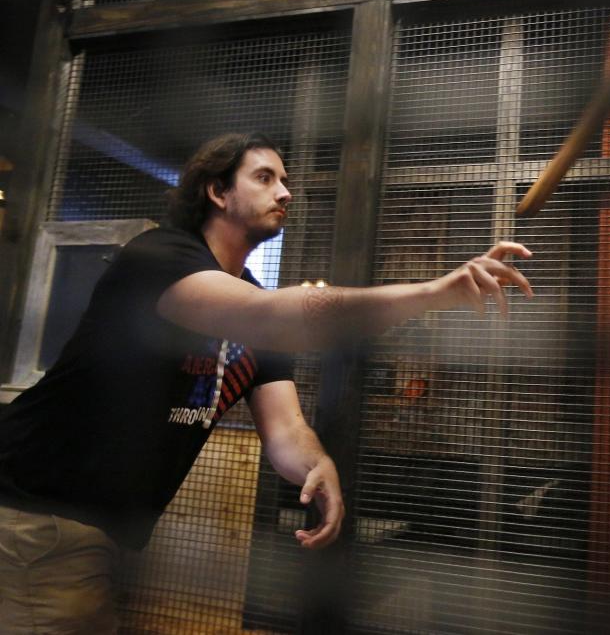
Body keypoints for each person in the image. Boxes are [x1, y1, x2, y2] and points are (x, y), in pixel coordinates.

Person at [0, 132, 533, 633]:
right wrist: (435, 293)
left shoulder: (253, 301)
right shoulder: (158, 258)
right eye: (265, 177)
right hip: (33, 513)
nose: (286, 191)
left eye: (285, 179)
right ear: (217, 191)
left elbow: (284, 428)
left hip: (93, 529)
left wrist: (316, 463)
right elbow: (278, 316)